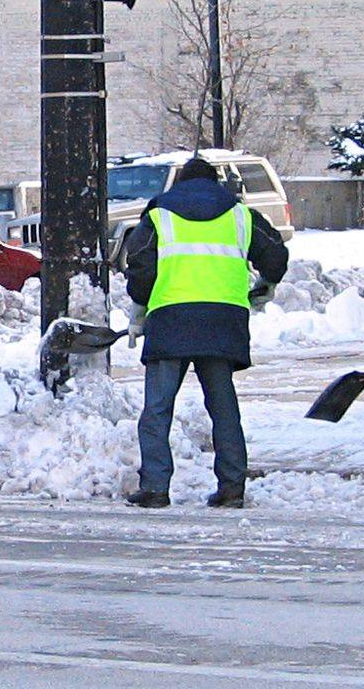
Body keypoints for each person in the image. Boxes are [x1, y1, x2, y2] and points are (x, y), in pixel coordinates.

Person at [121, 157, 288, 509]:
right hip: (222, 320)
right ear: (216, 183)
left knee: (158, 407)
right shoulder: (241, 214)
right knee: (223, 406)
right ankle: (231, 487)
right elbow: (274, 254)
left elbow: (139, 261)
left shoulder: (159, 214)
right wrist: (266, 283)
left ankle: (155, 486)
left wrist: (139, 306)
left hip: (170, 317)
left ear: (179, 183)